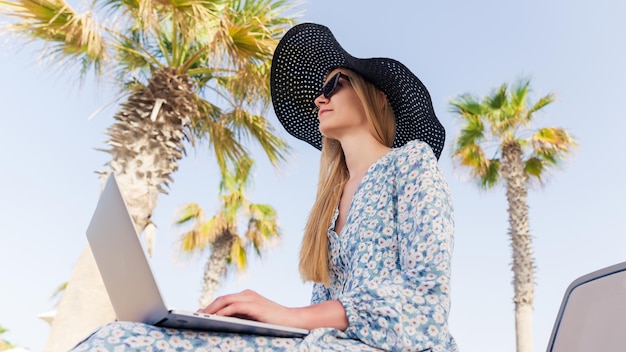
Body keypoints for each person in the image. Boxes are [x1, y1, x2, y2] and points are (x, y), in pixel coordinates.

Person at [70, 22, 458, 352]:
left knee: (122, 342)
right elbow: (322, 321)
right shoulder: (330, 204)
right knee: (134, 335)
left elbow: (426, 306)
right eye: (319, 91)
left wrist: (288, 316)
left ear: (380, 97)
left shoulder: (411, 163)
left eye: (336, 83)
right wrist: (267, 323)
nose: (320, 98)